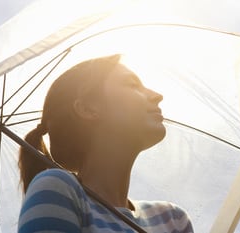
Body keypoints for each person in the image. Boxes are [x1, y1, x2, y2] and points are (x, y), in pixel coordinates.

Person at [17, 54, 194, 233]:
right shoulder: (56, 190)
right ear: (88, 108)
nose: (157, 96)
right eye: (132, 84)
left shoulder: (173, 219)